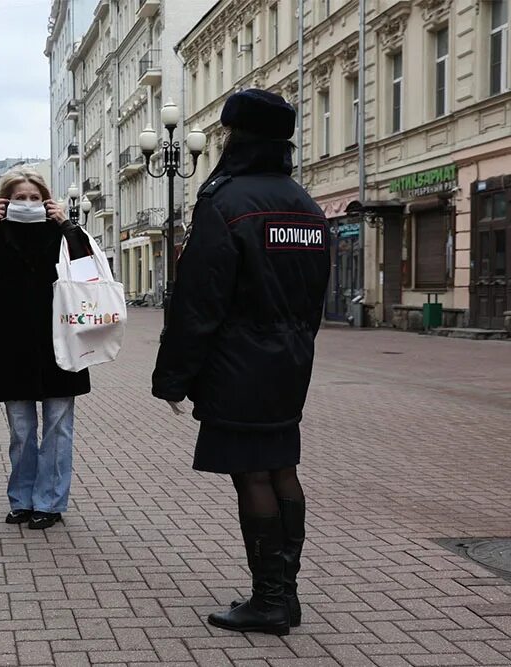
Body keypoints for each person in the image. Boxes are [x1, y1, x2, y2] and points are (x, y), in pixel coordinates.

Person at [152, 89, 330, 637]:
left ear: (237, 136)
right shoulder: (306, 205)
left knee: (252, 473)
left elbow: (199, 300)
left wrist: (173, 377)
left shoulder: (225, 203)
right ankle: (286, 594)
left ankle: (270, 600)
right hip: (290, 361)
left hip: (238, 362)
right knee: (281, 468)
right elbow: (316, 294)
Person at [0, 169, 92, 530]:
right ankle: (22, 499)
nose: (27, 203)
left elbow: (89, 268)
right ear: (5, 201)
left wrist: (68, 225)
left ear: (46, 201)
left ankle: (49, 502)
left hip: (60, 342)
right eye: (19, 198)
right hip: (11, 344)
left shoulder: (59, 233)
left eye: (34, 197)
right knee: (22, 431)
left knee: (58, 430)